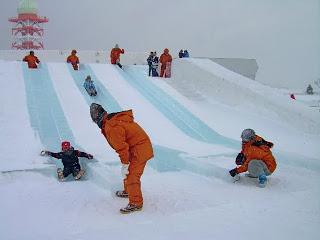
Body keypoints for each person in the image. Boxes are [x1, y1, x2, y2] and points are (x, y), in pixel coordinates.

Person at [89, 103, 154, 214]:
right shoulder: (111, 120)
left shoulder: (112, 127)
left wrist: (125, 164)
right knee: (127, 173)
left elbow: (122, 148)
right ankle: (129, 191)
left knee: (131, 175)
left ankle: (136, 203)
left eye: (94, 117)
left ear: (98, 117)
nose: (95, 120)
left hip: (140, 150)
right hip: (137, 147)